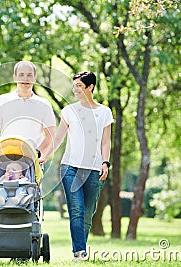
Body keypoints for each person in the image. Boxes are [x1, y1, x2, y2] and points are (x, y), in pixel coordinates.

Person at [40, 71, 114, 262]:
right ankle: (79, 252)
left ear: (90, 87)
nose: (75, 90)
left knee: (88, 213)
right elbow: (58, 139)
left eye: (79, 86)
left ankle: (81, 246)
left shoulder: (104, 112)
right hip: (70, 168)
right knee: (77, 211)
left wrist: (105, 162)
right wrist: (45, 156)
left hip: (94, 169)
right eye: (74, 86)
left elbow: (106, 142)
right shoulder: (69, 111)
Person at [0, 61, 56, 156]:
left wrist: (35, 153)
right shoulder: (3, 100)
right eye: (21, 75)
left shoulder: (44, 104)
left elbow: (50, 136)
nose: (25, 79)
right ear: (15, 77)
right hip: (6, 159)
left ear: (35, 78)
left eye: (29, 75)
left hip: (33, 162)